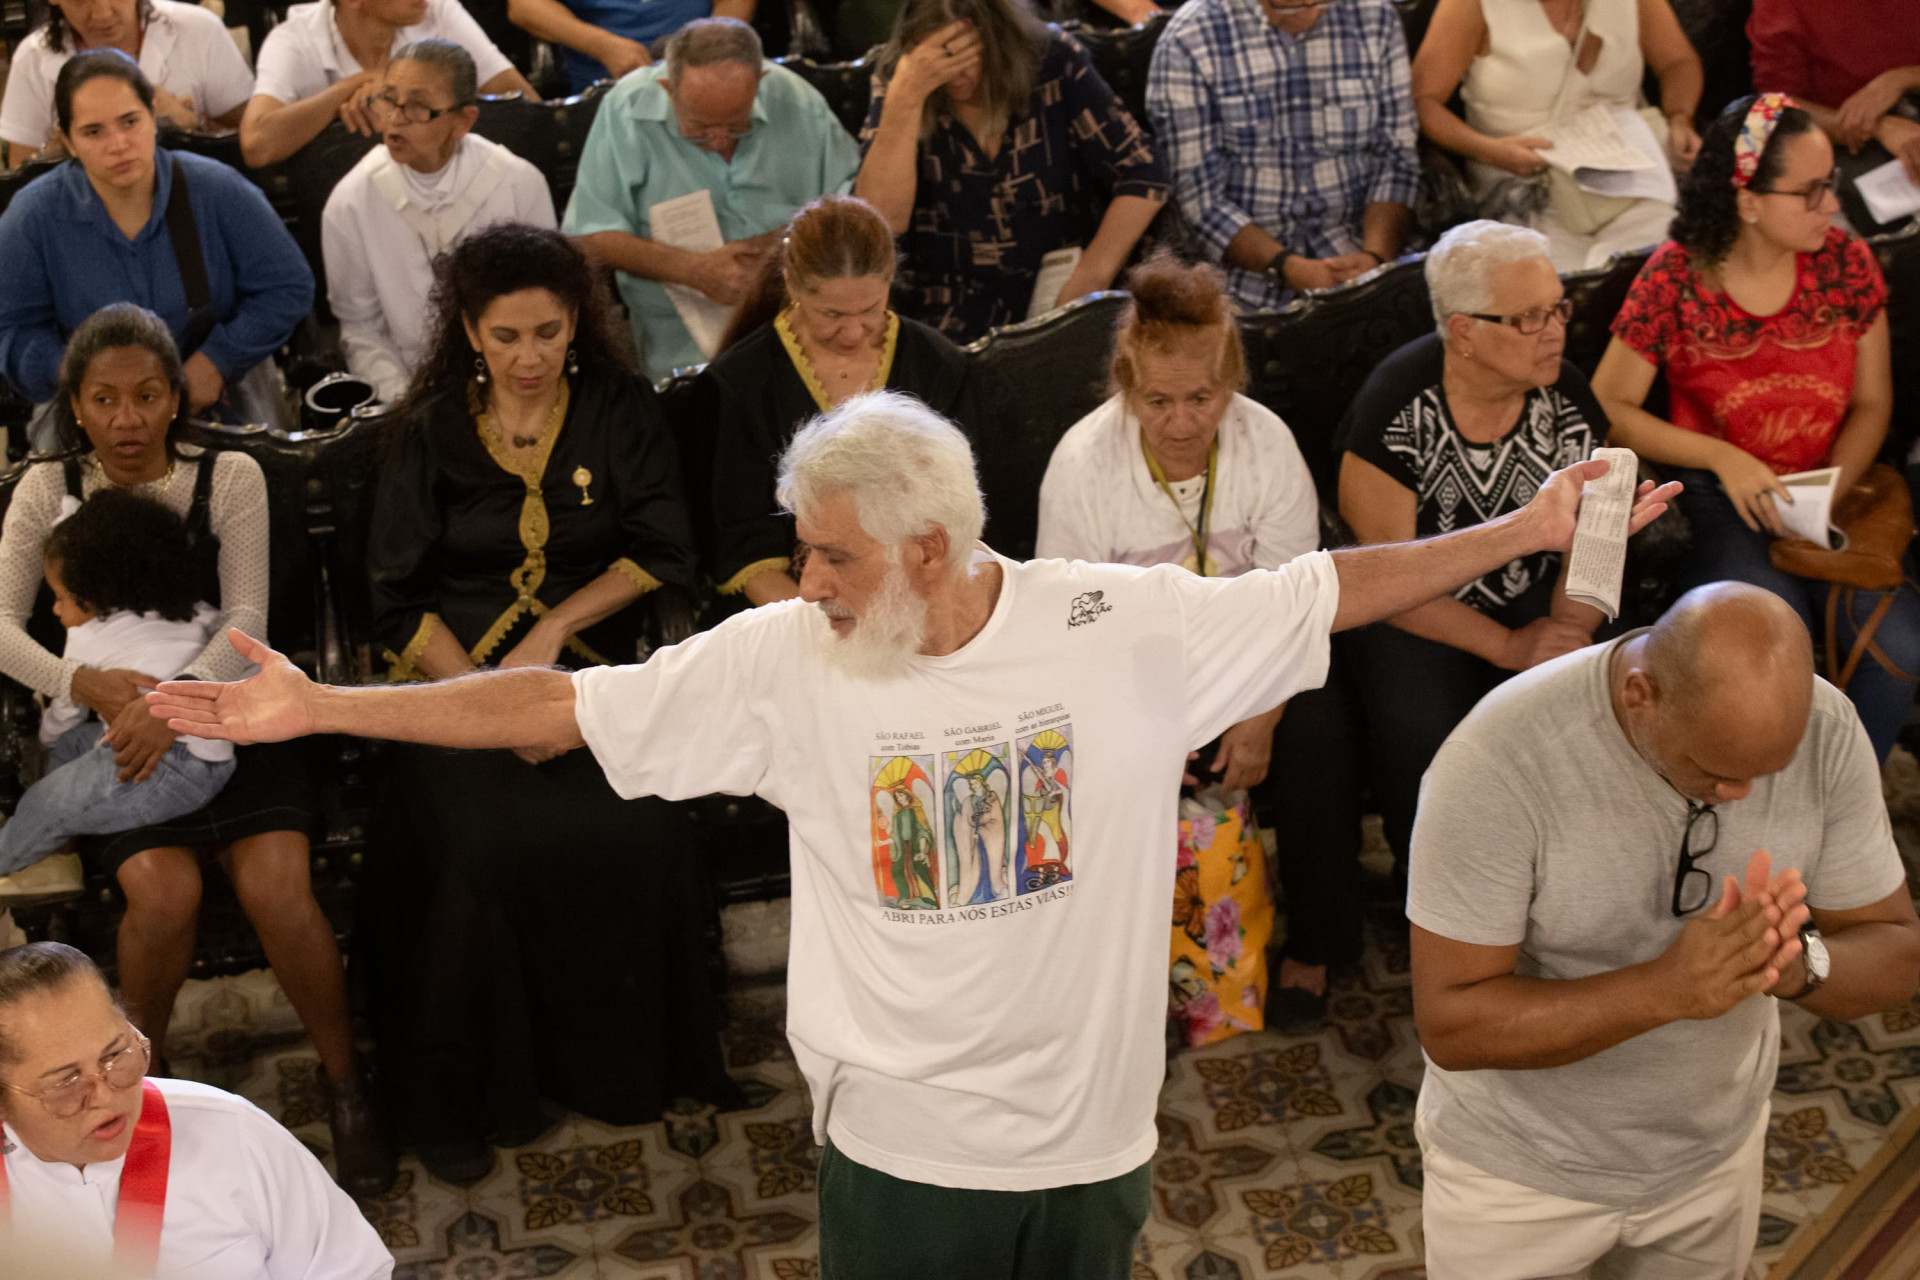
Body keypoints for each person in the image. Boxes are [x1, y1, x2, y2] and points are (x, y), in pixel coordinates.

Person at [148, 390, 1679, 1275]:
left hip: (1094, 1146)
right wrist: (327, 711)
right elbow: (552, 710)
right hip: (899, 1154)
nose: (799, 578)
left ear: (931, 548)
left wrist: (1539, 532)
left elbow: (1330, 587)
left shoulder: (1118, 628)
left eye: (826, 554)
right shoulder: (786, 663)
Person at [357, 223, 739, 1183]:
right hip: (453, 690)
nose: (530, 357)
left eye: (549, 332)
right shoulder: (430, 431)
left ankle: (630, 1073)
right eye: (506, 336)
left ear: (579, 325)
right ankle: (470, 1097)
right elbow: (397, 599)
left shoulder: (619, 411)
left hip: (591, 683)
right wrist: (489, 703)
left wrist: (556, 634)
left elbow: (663, 551)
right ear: (470, 336)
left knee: (645, 833)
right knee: (477, 853)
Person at [1409, 583, 1920, 1278]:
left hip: (1714, 1158)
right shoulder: (1499, 759)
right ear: (1639, 694)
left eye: (1764, 774)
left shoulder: (1828, 727)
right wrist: (1666, 990)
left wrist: (1796, 963)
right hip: (1516, 1175)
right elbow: (1451, 1024)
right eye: (1714, 773)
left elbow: (1896, 948)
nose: (1740, 796)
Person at [0, 305, 393, 1197]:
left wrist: (174, 706)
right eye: (105, 400)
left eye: (146, 396)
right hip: (114, 735)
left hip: (236, 716)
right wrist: (85, 686)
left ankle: (346, 1082)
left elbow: (248, 617)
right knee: (163, 891)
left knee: (277, 884)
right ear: (76, 403)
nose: (127, 419)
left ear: (176, 396)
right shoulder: (44, 489)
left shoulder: (232, 475)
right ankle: (140, 1093)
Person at [1036, 252, 1362, 1026]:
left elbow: (1295, 604)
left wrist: (1259, 719)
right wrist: (1154, 724)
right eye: (1158, 400)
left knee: (1321, 736)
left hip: (1258, 665)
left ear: (1232, 385)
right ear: (1125, 385)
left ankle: (1315, 945)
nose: (1181, 422)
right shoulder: (1082, 465)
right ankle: (1137, 977)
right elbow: (1072, 624)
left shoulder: (1267, 444)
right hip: (1132, 676)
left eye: (1202, 398)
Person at [1593, 94, 1919, 763]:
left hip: (1830, 492)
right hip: (1720, 499)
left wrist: (1829, 487)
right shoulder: (1675, 277)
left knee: (1899, 648)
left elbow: (1872, 403)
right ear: (1747, 198)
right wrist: (1723, 458)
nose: (1833, 204)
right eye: (1812, 190)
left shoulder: (1846, 264)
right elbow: (1609, 406)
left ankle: (1842, 797)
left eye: (1831, 184)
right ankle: (1765, 806)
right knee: (1766, 647)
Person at [1337, 219, 1612, 868]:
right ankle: (1434, 890)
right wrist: (1509, 645)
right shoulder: (1397, 411)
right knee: (1424, 726)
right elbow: (1384, 580)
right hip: (1411, 607)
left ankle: (1565, 882)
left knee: (1587, 702)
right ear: (1464, 331)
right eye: (1529, 318)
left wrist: (1567, 631)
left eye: (1558, 308)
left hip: (1525, 588)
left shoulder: (1565, 393)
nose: (1555, 330)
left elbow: (1599, 536)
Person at [0, 942, 395, 1278]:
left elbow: (352, 1268)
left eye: (116, 1055)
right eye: (66, 1083)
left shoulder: (231, 1132)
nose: (105, 1095)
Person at [0, 53, 313, 436]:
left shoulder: (216, 189)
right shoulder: (33, 215)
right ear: (68, 141)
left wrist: (217, 359)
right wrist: (76, 373)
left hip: (215, 394)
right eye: (93, 131)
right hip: (87, 411)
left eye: (129, 122)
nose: (118, 144)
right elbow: (11, 328)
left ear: (153, 117)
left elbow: (288, 286)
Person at [703, 193, 970, 606]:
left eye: (870, 310)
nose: (853, 333)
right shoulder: (741, 382)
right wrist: (824, 624)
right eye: (831, 315)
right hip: (798, 603)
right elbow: (745, 547)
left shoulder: (937, 363)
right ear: (791, 283)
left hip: (921, 596)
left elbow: (963, 510)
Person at [564, 17, 861, 381]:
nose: (720, 140)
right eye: (701, 130)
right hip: (675, 340)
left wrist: (777, 247)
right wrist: (693, 270)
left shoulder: (796, 100)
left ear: (759, 84)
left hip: (798, 324)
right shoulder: (626, 107)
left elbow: (852, 209)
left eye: (737, 125)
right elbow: (589, 234)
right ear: (668, 90)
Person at [854, 0, 1169, 342]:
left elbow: (1143, 172)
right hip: (949, 298)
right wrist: (905, 99)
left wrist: (1092, 274)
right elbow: (883, 220)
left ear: (1000, 40)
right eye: (939, 61)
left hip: (1062, 276)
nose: (956, 76)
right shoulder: (899, 80)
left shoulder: (1050, 59)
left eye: (968, 56)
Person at [0, 491, 235, 885]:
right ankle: (66, 835)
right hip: (212, 759)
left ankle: (19, 851)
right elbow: (225, 635)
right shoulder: (185, 608)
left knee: (43, 800)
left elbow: (64, 712)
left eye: (61, 598)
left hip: (167, 768)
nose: (56, 610)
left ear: (95, 597)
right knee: (75, 744)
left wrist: (47, 737)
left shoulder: (86, 638)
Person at [320, 40, 556, 405]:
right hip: (409, 386)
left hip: (517, 381)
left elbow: (548, 305)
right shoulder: (352, 201)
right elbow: (361, 328)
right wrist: (406, 402)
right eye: (387, 99)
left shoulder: (518, 183)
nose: (395, 119)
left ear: (463, 121)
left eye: (417, 107)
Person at [1146, 0, 1420, 311]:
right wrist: (1286, 266)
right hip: (1240, 282)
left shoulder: (1375, 17)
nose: (1311, 13)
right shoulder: (1190, 36)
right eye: (1289, 6)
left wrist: (1376, 259)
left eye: (1324, 3)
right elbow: (1198, 196)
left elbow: (1397, 158)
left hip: (1362, 252)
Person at [1410, 0, 1703, 273]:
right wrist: (1489, 150)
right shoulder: (1469, 5)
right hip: (1524, 184)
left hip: (1631, 172)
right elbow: (1423, 100)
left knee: (1662, 265)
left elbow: (1677, 62)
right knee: (1557, 284)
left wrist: (1680, 117)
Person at [239, 0, 535, 168]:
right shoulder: (294, 39)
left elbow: (526, 107)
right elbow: (256, 146)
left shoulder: (438, 11)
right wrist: (353, 86)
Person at [0, 0, 255, 167]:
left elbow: (255, 141)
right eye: (81, 0)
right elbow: (20, 175)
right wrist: (56, 153)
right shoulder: (32, 59)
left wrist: (191, 126)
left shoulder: (198, 30)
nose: (102, 13)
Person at [1748, 0, 1920, 188]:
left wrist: (1901, 79)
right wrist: (1876, 127)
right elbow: (1776, 105)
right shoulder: (1781, 6)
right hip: (1846, 137)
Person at [505, 0, 753, 94]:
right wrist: (603, 45)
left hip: (710, 71)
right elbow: (524, 7)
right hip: (611, 88)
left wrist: (712, 45)